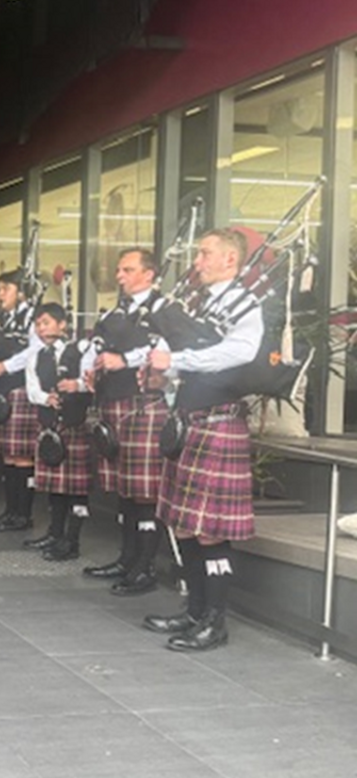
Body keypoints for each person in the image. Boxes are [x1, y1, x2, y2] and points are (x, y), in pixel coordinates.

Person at [144, 228, 264, 651]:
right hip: (188, 421)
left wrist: (178, 358)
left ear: (230, 259)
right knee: (184, 527)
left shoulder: (245, 304)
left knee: (210, 531)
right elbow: (185, 362)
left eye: (205, 253)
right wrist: (164, 373)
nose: (197, 261)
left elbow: (240, 352)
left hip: (218, 421)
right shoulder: (199, 303)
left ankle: (215, 620)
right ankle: (194, 611)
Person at [88, 248, 169, 595]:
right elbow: (97, 345)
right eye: (119, 269)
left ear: (148, 274)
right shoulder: (116, 312)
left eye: (128, 269)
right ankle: (127, 559)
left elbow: (166, 349)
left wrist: (125, 359)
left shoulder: (164, 310)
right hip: (113, 401)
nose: (119, 276)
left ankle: (145, 567)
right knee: (125, 489)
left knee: (144, 492)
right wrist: (93, 366)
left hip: (144, 404)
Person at [25, 303, 95, 560]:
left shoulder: (81, 349)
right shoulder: (36, 356)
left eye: (46, 322)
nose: (41, 328)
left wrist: (76, 385)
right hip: (49, 427)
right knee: (55, 487)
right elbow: (32, 388)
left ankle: (72, 541)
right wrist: (46, 398)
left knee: (76, 488)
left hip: (74, 425)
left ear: (62, 324)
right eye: (37, 324)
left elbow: (94, 379)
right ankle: (54, 534)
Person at [0, 271, 41, 532]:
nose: (0, 294)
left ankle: (23, 515)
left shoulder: (33, 318)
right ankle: (10, 511)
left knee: (22, 455)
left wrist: (4, 367)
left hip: (20, 389)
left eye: (6, 289)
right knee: (7, 454)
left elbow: (35, 351)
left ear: (22, 292)